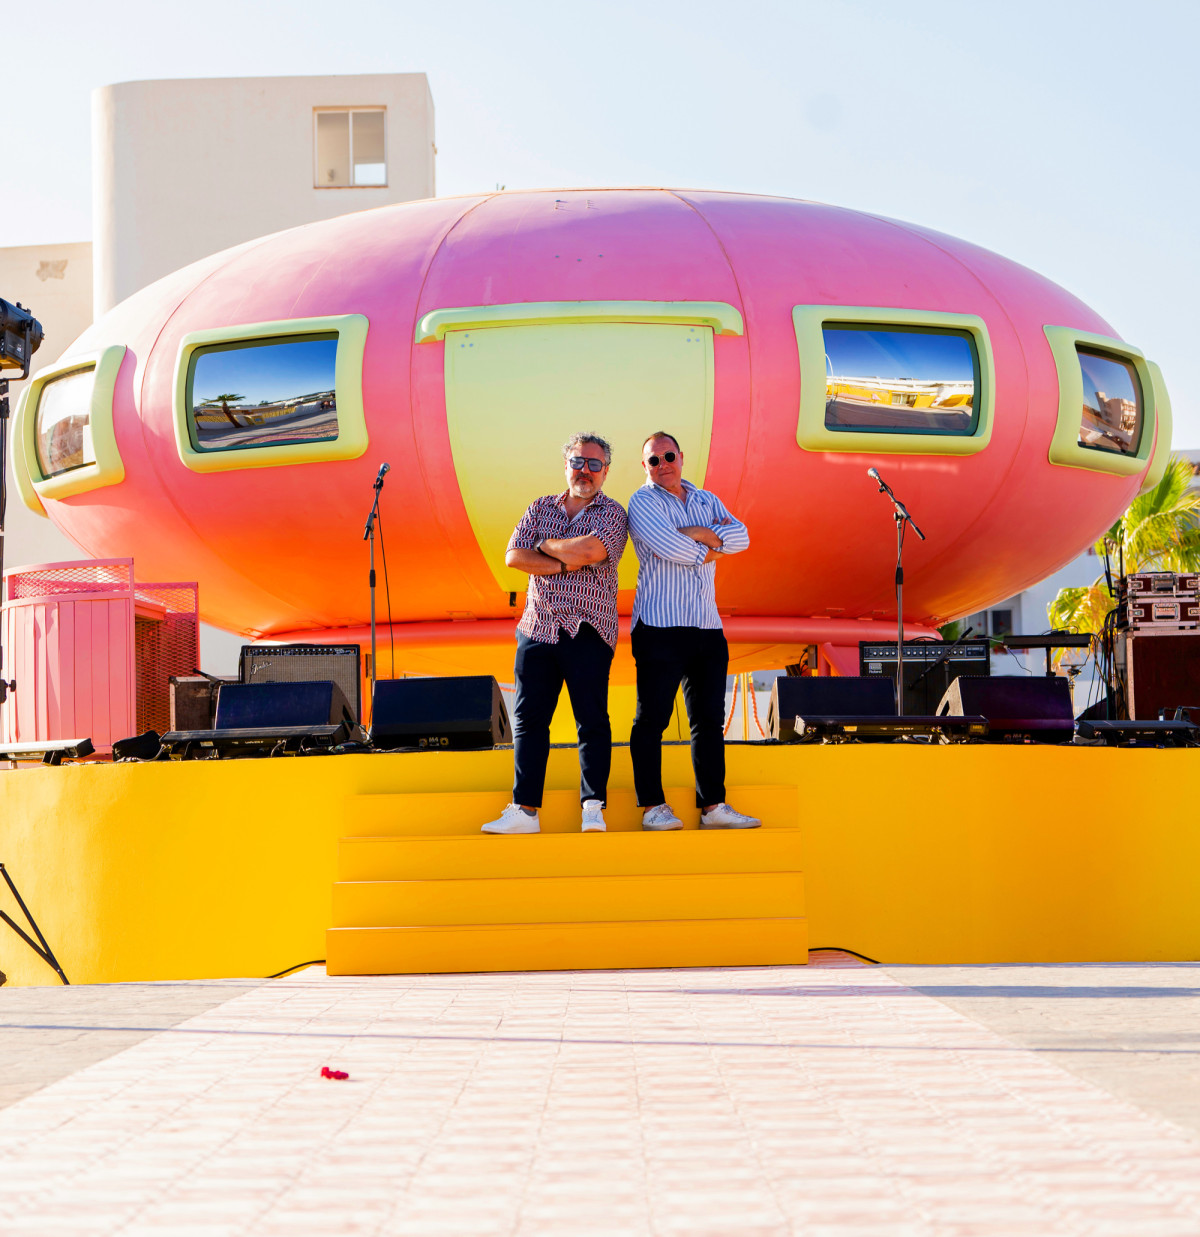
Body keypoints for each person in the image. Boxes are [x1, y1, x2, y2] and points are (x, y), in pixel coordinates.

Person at [482, 432, 628, 835]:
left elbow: (591, 552)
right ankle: (524, 810)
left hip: (588, 629)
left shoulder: (613, 513)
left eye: (595, 464)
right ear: (566, 466)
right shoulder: (539, 506)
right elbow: (514, 556)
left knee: (592, 720)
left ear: (606, 472)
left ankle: (593, 807)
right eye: (579, 462)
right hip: (537, 627)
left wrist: (545, 546)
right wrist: (564, 563)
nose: (586, 471)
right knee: (529, 719)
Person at [627, 432, 760, 830]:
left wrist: (698, 536)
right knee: (652, 719)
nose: (662, 464)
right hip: (659, 626)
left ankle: (713, 807)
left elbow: (743, 537)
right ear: (645, 466)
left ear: (681, 457)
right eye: (654, 460)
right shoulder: (643, 501)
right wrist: (706, 538)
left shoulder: (707, 499)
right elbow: (672, 549)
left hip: (707, 627)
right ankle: (652, 807)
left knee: (708, 721)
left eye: (668, 456)